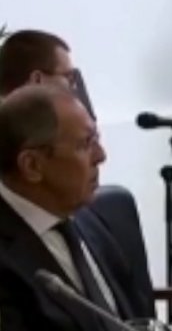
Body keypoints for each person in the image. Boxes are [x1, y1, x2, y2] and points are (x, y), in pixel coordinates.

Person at [0, 85, 153, 331]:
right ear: (32, 166)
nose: (101, 156)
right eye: (85, 144)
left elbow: (136, 314)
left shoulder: (88, 216)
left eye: (97, 139)